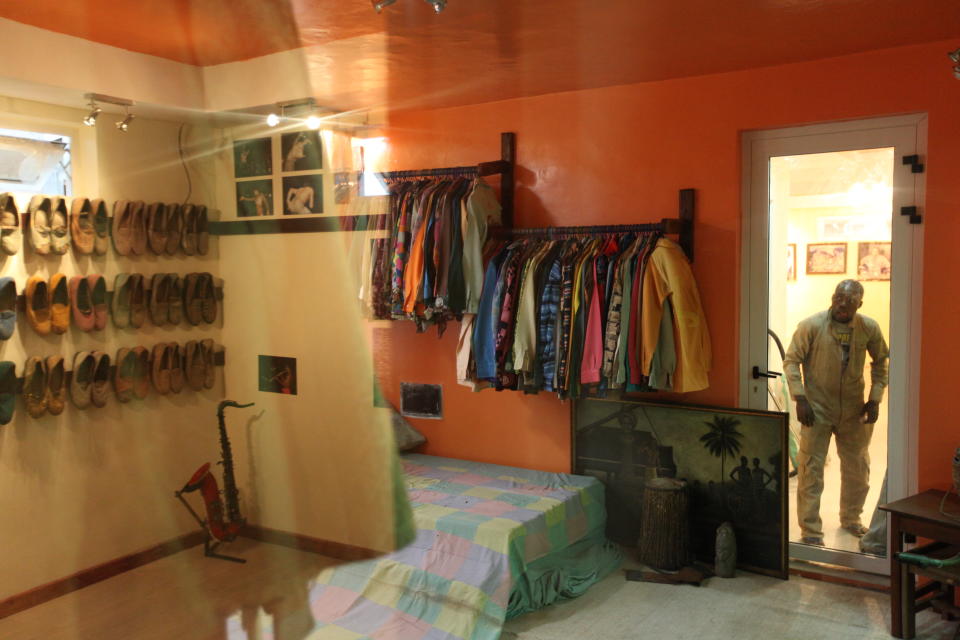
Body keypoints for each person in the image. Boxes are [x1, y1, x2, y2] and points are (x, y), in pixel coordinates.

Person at [783, 279, 889, 546]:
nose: (843, 304)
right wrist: (800, 398)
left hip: (854, 409)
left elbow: (881, 363)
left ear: (859, 303)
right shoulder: (812, 325)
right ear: (833, 297)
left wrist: (875, 399)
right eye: (839, 298)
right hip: (817, 409)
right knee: (811, 469)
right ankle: (810, 531)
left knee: (858, 467)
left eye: (850, 300)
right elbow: (792, 360)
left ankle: (851, 518)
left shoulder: (868, 327)